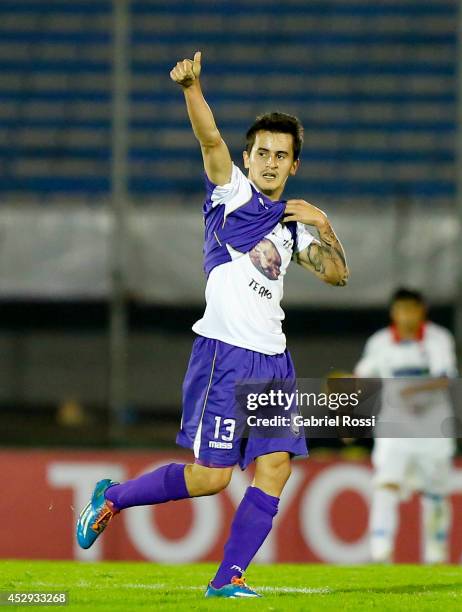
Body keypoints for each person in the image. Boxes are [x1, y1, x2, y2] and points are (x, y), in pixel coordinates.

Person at [76, 51, 348, 598]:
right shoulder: (233, 195)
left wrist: (323, 222)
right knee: (213, 477)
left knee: (274, 469)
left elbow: (337, 275)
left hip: (274, 361)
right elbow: (210, 143)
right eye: (262, 152)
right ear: (248, 157)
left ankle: (228, 579)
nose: (270, 162)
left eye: (282, 155)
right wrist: (192, 90)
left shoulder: (293, 226)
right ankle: (113, 496)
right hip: (225, 355)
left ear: (294, 165)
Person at [354, 288, 457, 564]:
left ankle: (437, 553)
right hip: (394, 428)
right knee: (386, 485)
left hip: (433, 428)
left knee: (435, 492)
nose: (407, 315)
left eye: (412, 309)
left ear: (422, 310)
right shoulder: (380, 342)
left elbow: (445, 377)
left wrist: (409, 389)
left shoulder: (438, 339)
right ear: (393, 312)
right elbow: (363, 376)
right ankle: (381, 549)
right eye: (401, 309)